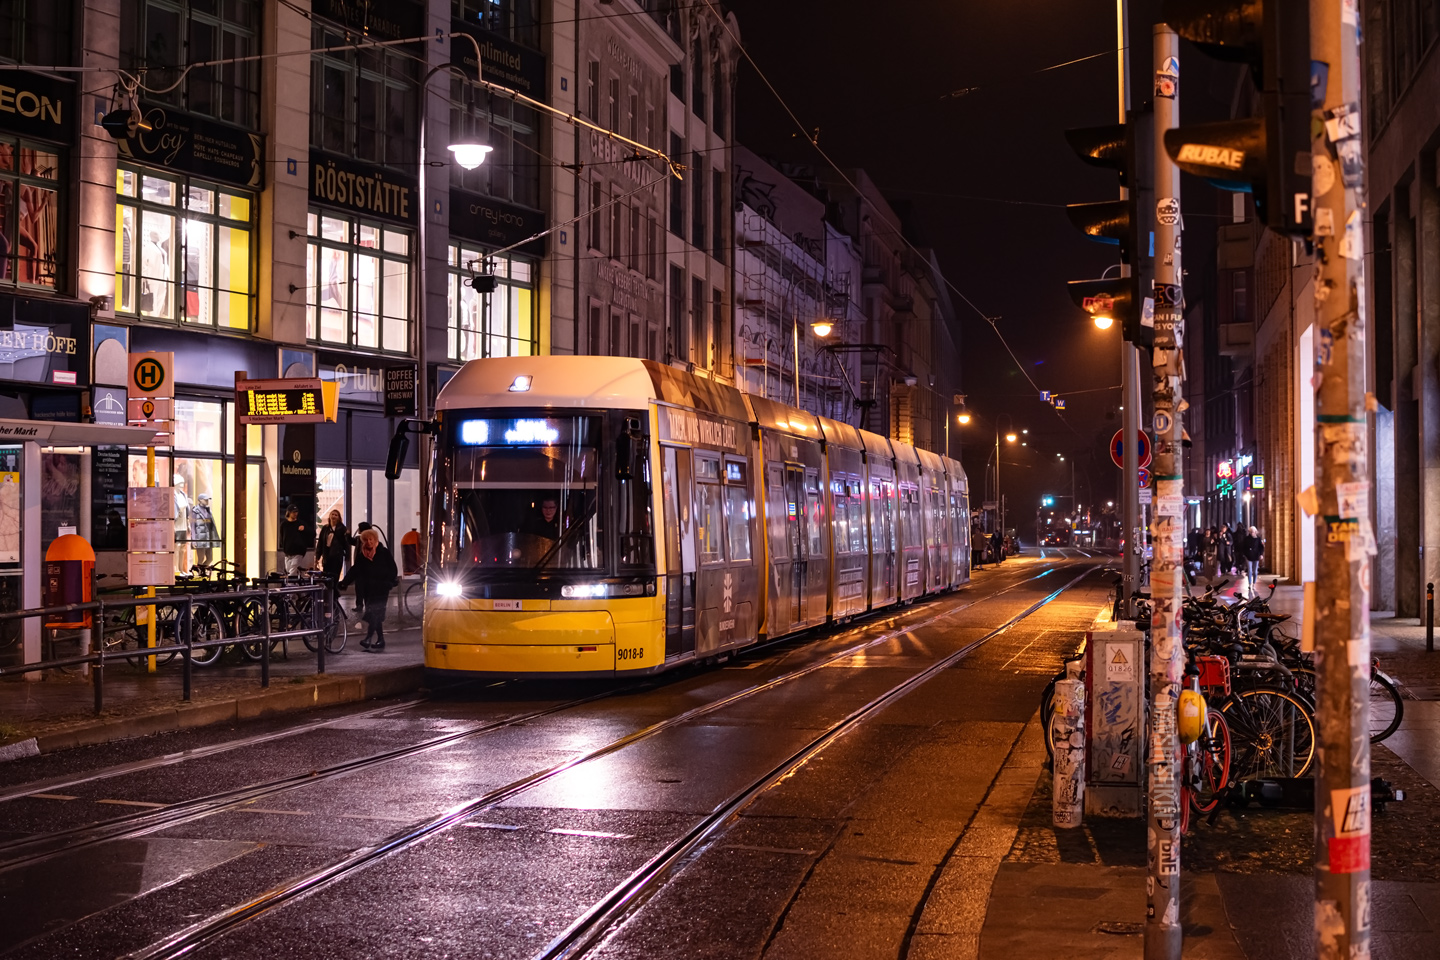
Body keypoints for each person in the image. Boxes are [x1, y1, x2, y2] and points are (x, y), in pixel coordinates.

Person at [340, 528, 398, 652]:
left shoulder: (384, 553)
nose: (368, 542)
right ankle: (381, 639)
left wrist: (389, 581)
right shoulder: (362, 556)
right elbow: (355, 570)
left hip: (382, 588)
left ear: (375, 540)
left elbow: (393, 569)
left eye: (370, 539)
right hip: (368, 590)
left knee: (374, 612)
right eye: (365, 540)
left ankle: (368, 638)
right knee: (375, 614)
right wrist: (344, 582)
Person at [316, 510, 349, 584]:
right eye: (332, 514)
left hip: (337, 556)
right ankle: (328, 594)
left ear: (339, 518)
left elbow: (346, 543)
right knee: (326, 576)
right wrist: (317, 556)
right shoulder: (325, 528)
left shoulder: (342, 529)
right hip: (326, 555)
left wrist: (347, 555)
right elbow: (320, 542)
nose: (333, 516)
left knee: (334, 576)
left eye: (336, 515)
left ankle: (334, 593)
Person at [279, 504, 310, 576]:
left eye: (296, 512)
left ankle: (290, 586)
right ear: (289, 512)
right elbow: (281, 536)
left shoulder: (301, 523)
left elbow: (312, 533)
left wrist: (304, 529)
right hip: (288, 552)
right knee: (288, 570)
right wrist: (284, 547)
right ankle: (294, 584)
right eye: (293, 512)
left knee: (292, 571)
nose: (295, 514)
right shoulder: (284, 524)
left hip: (298, 551)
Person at [1241, 526, 1264, 592]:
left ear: (1255, 532)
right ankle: (1250, 583)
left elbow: (1261, 547)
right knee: (1250, 571)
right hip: (1249, 557)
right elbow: (1244, 547)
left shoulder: (1258, 539)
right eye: (1251, 532)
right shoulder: (1246, 539)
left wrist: (1261, 554)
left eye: (1253, 532)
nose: (1252, 533)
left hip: (1256, 556)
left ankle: (1254, 583)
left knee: (1255, 571)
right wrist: (1245, 554)